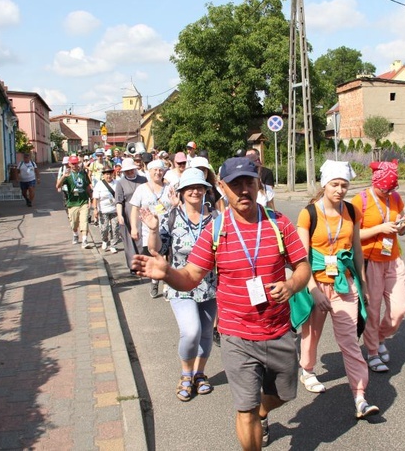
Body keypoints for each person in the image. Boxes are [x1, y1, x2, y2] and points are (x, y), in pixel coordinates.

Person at [131, 156, 311, 450]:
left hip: (278, 329)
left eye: (248, 183)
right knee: (245, 409)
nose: (243, 190)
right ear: (222, 187)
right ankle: (255, 417)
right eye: (235, 184)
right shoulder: (215, 231)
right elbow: (190, 277)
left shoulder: (279, 224)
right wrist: (167, 274)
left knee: (284, 394)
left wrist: (291, 285)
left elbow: (303, 266)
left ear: (258, 185)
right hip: (236, 335)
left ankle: (264, 412)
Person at [294, 160, 378, 419]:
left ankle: (360, 396)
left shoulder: (352, 212)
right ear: (325, 185)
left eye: (344, 185)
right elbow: (301, 256)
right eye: (335, 184)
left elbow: (357, 251)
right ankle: (307, 370)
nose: (340, 190)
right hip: (315, 283)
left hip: (344, 283)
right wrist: (312, 290)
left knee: (349, 340)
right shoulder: (309, 213)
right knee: (312, 334)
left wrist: (362, 284)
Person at [141, 168, 219, 402]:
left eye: (199, 187)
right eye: (190, 188)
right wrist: (153, 229)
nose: (195, 191)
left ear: (206, 190)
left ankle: (199, 374)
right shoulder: (171, 216)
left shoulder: (216, 218)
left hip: (210, 285)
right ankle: (186, 374)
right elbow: (157, 249)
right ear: (182, 192)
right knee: (191, 331)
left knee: (206, 332)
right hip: (179, 285)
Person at [351, 160, 405, 373]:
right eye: (384, 188)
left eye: (391, 188)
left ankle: (380, 336)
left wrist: (402, 227)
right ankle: (373, 351)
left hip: (393, 258)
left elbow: (402, 223)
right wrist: (380, 228)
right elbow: (352, 235)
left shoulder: (395, 197)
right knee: (373, 309)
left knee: (399, 308)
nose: (388, 192)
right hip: (371, 261)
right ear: (375, 182)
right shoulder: (361, 200)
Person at [130, 159, 175, 298]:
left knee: (168, 257)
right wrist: (133, 228)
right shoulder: (141, 189)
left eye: (160, 170)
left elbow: (176, 205)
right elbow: (135, 209)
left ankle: (167, 287)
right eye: (155, 170)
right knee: (155, 256)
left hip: (169, 228)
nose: (158, 172)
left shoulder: (169, 188)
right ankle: (155, 281)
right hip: (149, 231)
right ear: (149, 172)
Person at [115, 157, 148, 271]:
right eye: (127, 171)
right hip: (128, 213)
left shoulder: (143, 180)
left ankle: (144, 263)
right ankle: (133, 265)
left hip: (143, 212)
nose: (129, 172)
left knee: (143, 238)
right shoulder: (120, 183)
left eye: (131, 170)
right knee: (130, 241)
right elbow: (119, 201)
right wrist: (120, 215)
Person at [55, 155, 94, 248]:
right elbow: (58, 186)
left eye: (76, 163)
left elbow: (88, 187)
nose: (74, 165)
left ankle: (84, 240)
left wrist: (92, 199)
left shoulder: (83, 173)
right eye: (72, 163)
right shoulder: (67, 175)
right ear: (69, 164)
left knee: (84, 221)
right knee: (74, 223)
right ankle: (75, 234)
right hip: (72, 203)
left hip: (83, 201)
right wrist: (63, 176)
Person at [92, 166, 121, 253]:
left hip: (115, 210)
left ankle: (113, 245)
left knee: (115, 228)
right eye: (107, 174)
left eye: (110, 174)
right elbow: (95, 198)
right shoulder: (99, 184)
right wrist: (95, 209)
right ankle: (104, 240)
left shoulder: (117, 183)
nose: (109, 176)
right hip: (103, 210)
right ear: (103, 175)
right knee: (104, 228)